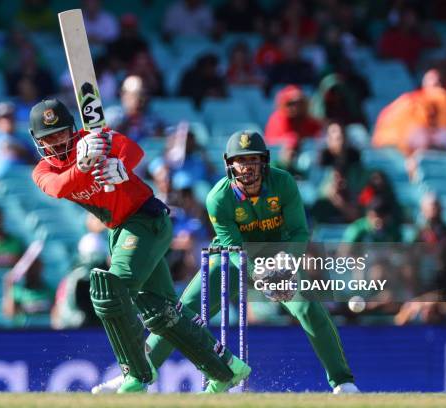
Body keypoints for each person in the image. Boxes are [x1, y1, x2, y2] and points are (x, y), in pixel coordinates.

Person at [92, 130, 358, 394]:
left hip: (278, 257)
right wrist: (265, 276)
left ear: (264, 162)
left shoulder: (283, 183)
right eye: (241, 161)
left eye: (253, 160)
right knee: (176, 315)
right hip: (231, 259)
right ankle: (135, 374)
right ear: (229, 164)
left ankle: (343, 382)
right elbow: (235, 248)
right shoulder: (218, 197)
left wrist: (284, 267)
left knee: (309, 309)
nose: (247, 168)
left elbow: (300, 232)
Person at [29, 98, 249, 393]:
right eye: (49, 138)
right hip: (118, 231)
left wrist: (120, 165)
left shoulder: (94, 138)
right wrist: (84, 165)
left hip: (145, 219)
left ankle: (135, 373)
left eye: (61, 133)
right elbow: (59, 188)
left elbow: (133, 150)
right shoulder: (43, 171)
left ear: (72, 129)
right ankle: (225, 369)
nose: (57, 143)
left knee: (111, 292)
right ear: (38, 141)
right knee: (160, 312)